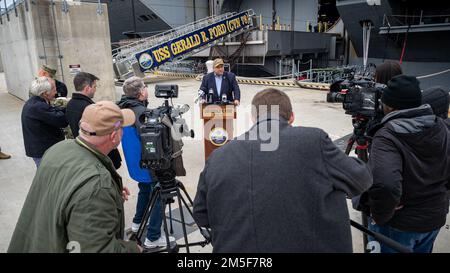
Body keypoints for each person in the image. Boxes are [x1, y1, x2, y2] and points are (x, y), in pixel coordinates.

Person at [193, 88, 373, 253]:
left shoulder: (217, 157)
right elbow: (362, 180)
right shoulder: (313, 141)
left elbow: (201, 215)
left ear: (253, 118)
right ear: (292, 117)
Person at [8, 101, 141, 253]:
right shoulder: (96, 186)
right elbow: (98, 250)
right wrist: (133, 249)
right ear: (114, 136)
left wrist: (110, 194)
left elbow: (68, 192)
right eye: (122, 128)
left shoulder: (58, 148)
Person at [367, 75, 450, 253]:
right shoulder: (441, 126)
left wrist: (380, 215)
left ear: (389, 106)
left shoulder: (387, 136)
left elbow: (386, 185)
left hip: (399, 224)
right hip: (434, 218)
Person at [117, 76, 175, 249]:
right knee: (161, 193)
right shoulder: (141, 113)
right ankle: (153, 237)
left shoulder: (123, 107)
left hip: (135, 163)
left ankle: (137, 223)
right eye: (145, 87)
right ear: (141, 92)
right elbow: (153, 139)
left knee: (144, 189)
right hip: (148, 164)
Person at [66, 72, 122, 169]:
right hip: (100, 153)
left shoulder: (70, 104)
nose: (95, 90)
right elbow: (106, 130)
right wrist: (118, 122)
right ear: (87, 88)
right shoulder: (89, 108)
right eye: (94, 87)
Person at [21, 76, 68, 168]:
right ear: (45, 93)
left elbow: (52, 112)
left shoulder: (35, 102)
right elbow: (61, 120)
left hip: (43, 149)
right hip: (43, 152)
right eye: (54, 89)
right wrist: (70, 106)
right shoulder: (38, 106)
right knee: (50, 178)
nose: (56, 91)